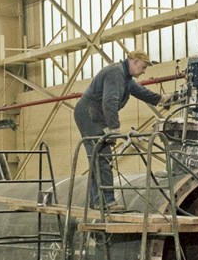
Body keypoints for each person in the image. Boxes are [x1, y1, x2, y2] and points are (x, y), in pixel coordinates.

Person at [74, 50, 174, 211]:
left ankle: (97, 201)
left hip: (96, 114)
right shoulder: (115, 73)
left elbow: (141, 92)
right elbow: (109, 102)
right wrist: (114, 128)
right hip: (89, 114)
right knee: (102, 156)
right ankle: (106, 201)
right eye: (143, 67)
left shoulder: (126, 78)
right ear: (134, 62)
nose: (144, 71)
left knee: (97, 158)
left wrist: (162, 99)